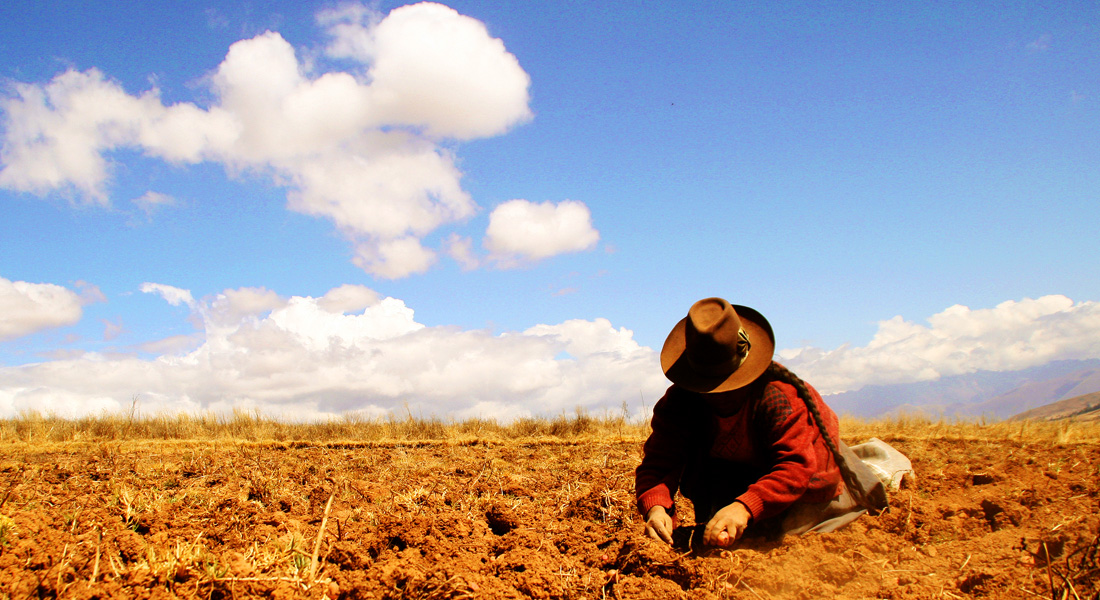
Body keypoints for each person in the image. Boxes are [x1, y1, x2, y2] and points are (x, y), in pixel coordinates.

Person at [636, 297, 872, 547]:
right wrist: (656, 507)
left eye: (727, 386)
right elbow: (658, 464)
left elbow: (795, 467)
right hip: (736, 479)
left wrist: (745, 507)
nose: (720, 395)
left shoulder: (778, 396)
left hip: (802, 489)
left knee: (793, 537)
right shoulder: (679, 403)